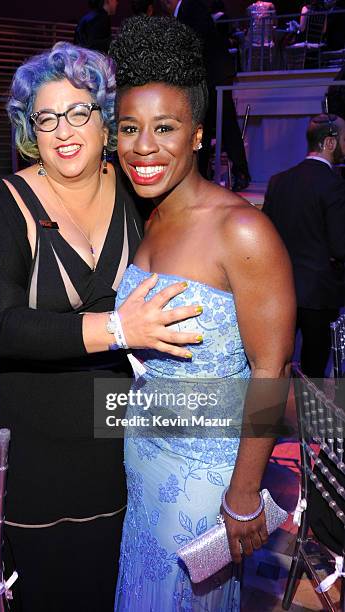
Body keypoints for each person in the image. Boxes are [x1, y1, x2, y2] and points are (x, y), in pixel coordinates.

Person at [0, 42, 201, 612]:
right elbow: (2, 327)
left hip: (118, 435)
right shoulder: (5, 202)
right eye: (45, 117)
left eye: (78, 112)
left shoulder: (135, 192)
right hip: (37, 438)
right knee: (51, 590)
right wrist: (120, 328)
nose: (63, 130)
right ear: (30, 129)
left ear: (104, 120)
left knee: (115, 585)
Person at [109, 16, 295, 610]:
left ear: (196, 135)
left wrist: (243, 495)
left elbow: (271, 370)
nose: (143, 146)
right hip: (144, 460)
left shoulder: (242, 228)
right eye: (130, 128)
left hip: (208, 479)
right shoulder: (153, 218)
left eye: (164, 128)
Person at [263, 114, 345, 379]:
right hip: (319, 296)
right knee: (313, 374)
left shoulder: (279, 181)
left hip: (280, 290)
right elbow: (340, 247)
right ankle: (310, 420)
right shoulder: (334, 185)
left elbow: (266, 235)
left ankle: (271, 418)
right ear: (330, 143)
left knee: (276, 365)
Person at [162, 0, 251, 191]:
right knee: (206, 126)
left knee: (224, 123)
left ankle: (238, 172)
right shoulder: (187, 9)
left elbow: (195, 44)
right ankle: (203, 175)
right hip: (209, 78)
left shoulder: (191, 7)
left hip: (214, 76)